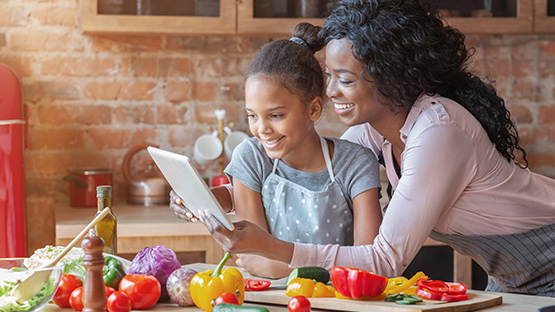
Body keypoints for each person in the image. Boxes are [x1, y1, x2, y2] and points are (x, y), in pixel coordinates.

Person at [175, 0, 555, 296]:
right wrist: (213, 199)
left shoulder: (439, 132)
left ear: (389, 77)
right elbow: (313, 175)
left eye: (345, 79)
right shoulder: (372, 132)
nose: (330, 91)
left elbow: (384, 260)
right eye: (329, 76)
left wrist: (276, 249)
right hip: (512, 279)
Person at [172, 22, 383, 279]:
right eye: (252, 116)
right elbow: (254, 258)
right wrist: (201, 198)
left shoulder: (356, 163)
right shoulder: (251, 157)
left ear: (314, 109)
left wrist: (276, 266)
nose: (262, 129)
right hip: (268, 299)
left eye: (275, 115)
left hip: (336, 301)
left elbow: (367, 268)